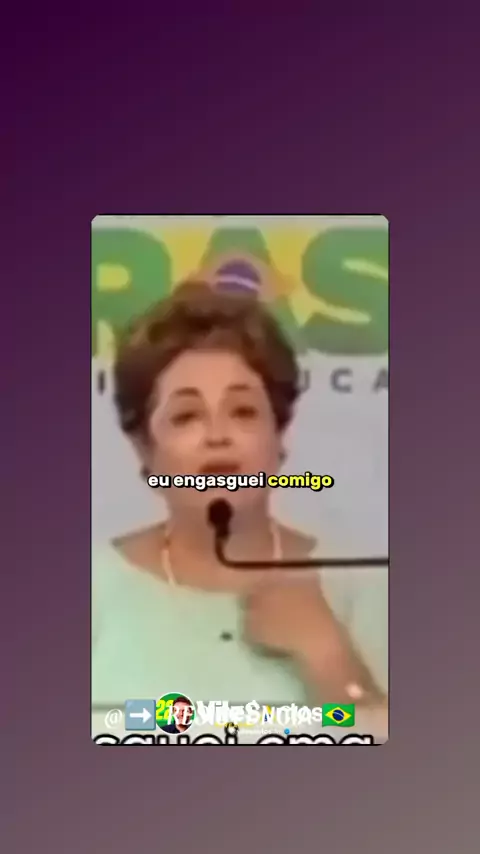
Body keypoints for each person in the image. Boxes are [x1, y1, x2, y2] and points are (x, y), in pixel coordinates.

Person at [92, 281, 388, 737]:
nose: (218, 435)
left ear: (278, 438)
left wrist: (328, 656)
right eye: (186, 416)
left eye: (244, 412)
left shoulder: (362, 586)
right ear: (145, 450)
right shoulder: (94, 587)